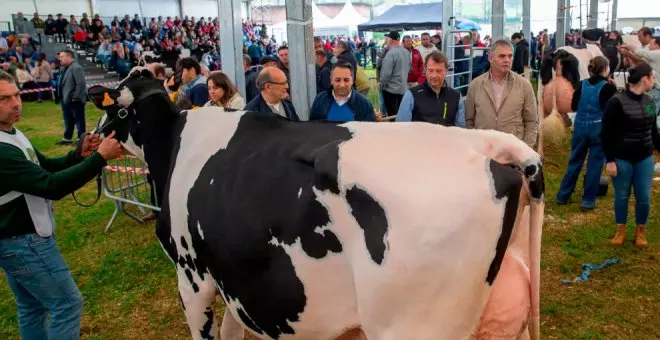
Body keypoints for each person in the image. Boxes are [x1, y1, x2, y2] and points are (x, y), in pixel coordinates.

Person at [0, 70, 123, 339]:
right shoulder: (2, 150)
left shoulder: (11, 135)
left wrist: (79, 154)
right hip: (23, 241)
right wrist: (100, 158)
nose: (16, 103)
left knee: (31, 306)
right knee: (67, 304)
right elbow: (52, 186)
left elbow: (44, 168)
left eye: (17, 95)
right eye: (4, 99)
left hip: (18, 239)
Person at [601, 63, 658, 248]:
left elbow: (653, 131)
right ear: (645, 79)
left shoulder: (650, 101)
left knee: (643, 196)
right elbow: (606, 134)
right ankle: (621, 231)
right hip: (622, 158)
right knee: (622, 196)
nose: (654, 81)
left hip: (644, 158)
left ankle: (641, 231)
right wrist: (609, 160)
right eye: (653, 77)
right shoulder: (616, 102)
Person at [556, 56, 618, 210]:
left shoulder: (581, 84)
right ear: (605, 69)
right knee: (594, 165)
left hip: (580, 127)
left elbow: (574, 106)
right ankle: (588, 201)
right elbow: (612, 111)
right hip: (598, 128)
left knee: (574, 161)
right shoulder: (609, 87)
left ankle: (563, 195)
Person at [465, 39, 538, 148]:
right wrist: (476, 145)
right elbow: (469, 120)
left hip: (513, 153)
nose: (507, 60)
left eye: (510, 56)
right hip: (484, 152)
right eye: (502, 56)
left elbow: (532, 121)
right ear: (490, 57)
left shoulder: (524, 85)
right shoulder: (475, 85)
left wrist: (525, 150)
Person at [396, 51, 462, 127]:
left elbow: (461, 129)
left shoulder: (456, 97)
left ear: (446, 71)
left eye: (438, 71)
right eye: (430, 71)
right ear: (425, 70)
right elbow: (401, 128)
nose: (434, 75)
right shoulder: (411, 95)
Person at [310, 63, 375, 122]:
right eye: (337, 80)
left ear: (352, 80)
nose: (342, 85)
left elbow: (369, 131)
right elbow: (313, 127)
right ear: (331, 80)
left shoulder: (364, 104)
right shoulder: (320, 99)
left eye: (346, 80)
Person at [55, 50, 87, 145]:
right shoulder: (64, 68)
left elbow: (81, 84)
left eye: (62, 56)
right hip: (65, 99)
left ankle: (81, 139)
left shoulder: (76, 67)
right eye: (59, 57)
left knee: (79, 120)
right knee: (68, 119)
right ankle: (67, 138)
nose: (60, 59)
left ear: (69, 57)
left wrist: (75, 97)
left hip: (74, 100)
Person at [379, 31, 411, 117]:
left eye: (387, 38)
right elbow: (409, 69)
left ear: (390, 39)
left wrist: (381, 84)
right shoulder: (406, 52)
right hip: (402, 89)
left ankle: (395, 130)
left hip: (391, 90)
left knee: (392, 115)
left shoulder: (391, 53)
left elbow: (386, 74)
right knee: (400, 115)